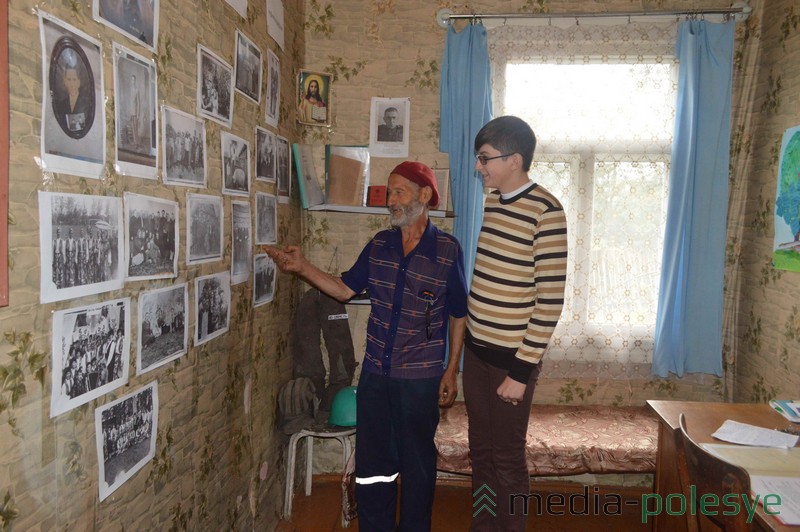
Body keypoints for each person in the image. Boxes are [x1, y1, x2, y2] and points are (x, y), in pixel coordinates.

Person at [266, 161, 468, 532]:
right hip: (376, 376)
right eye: (388, 192)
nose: (391, 201)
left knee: (418, 465)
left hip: (420, 379)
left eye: (399, 192)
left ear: (424, 196)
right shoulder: (379, 245)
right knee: (374, 468)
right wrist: (302, 267)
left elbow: (458, 314)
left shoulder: (446, 251)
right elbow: (344, 289)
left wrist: (451, 368)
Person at [463, 116, 568, 531]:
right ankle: (484, 525)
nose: (479, 167)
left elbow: (549, 303)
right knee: (480, 450)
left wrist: (521, 373)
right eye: (479, 159)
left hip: (511, 363)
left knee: (506, 456)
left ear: (515, 159)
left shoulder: (547, 211)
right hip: (476, 353)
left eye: (485, 159)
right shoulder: (493, 201)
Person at [53, 65, 92, 133]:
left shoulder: (87, 103)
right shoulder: (61, 104)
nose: (72, 84)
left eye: (74, 79)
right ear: (65, 82)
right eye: (69, 79)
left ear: (79, 82)